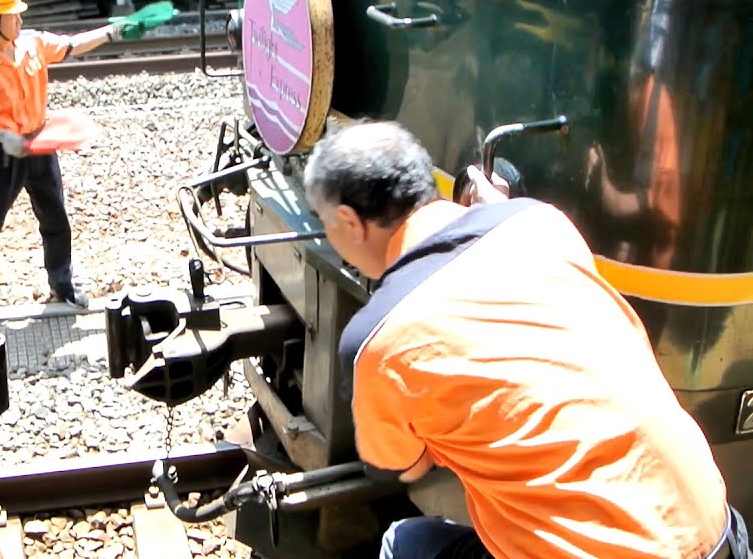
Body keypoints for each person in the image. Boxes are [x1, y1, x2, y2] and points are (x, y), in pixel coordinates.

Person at [301, 120, 748, 559]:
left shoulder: (377, 339)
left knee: (406, 544)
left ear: (349, 221)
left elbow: (406, 466)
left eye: (325, 223)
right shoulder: (541, 223)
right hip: (716, 531)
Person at [0, 0, 128, 310]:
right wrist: (2, 136)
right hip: (6, 154)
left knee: (55, 217)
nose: (19, 20)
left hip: (40, 145)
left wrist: (110, 32)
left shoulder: (33, 44)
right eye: (12, 16)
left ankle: (61, 282)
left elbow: (72, 45)